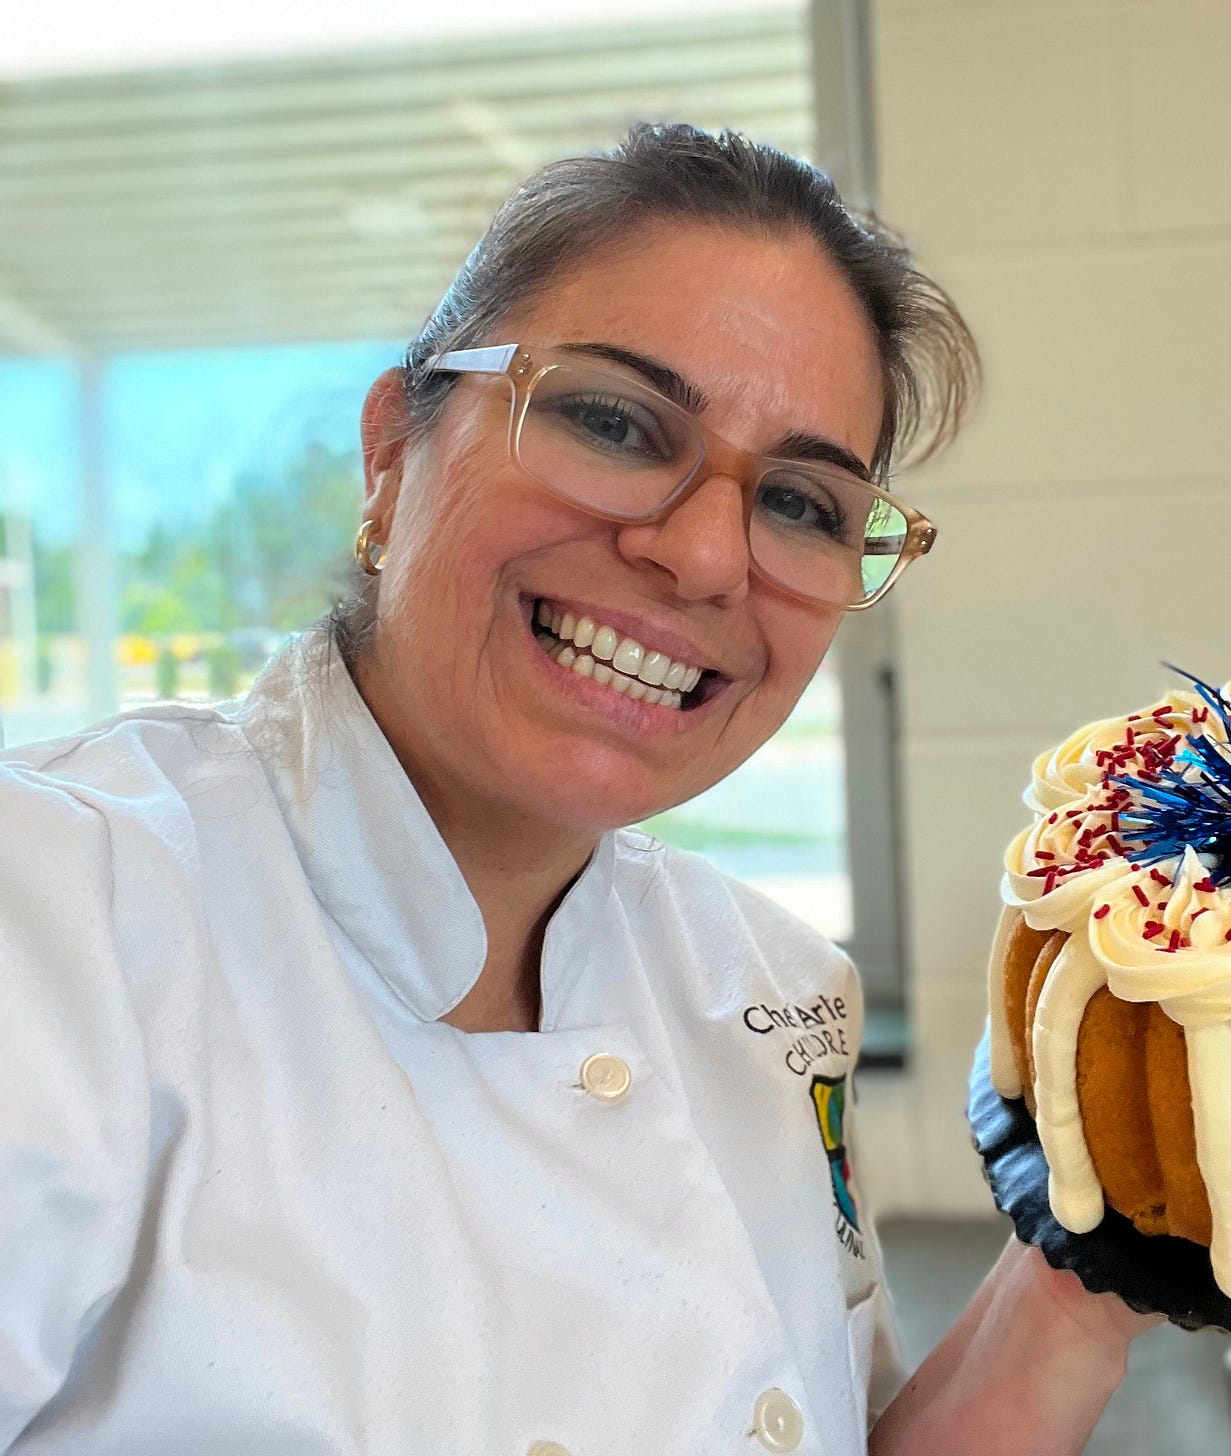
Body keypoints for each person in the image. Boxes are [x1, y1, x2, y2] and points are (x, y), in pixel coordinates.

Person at [0, 125, 1151, 1455]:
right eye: (611, 419)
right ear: (390, 457)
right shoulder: (58, 916)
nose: (708, 553)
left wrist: (1092, 1273)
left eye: (804, 504)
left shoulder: (772, 992)